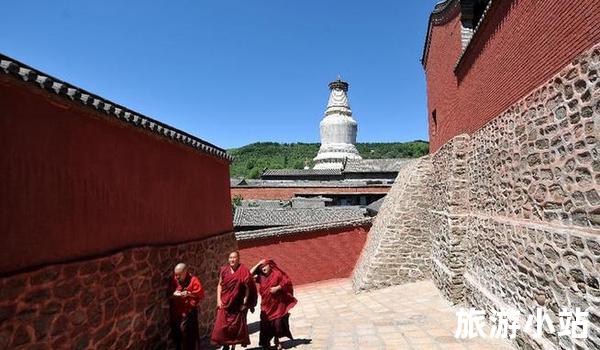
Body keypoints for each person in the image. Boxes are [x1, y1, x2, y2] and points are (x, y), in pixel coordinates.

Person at [211, 251, 258, 350]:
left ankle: (233, 347)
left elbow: (247, 288)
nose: (232, 260)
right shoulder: (224, 270)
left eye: (234, 257)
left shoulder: (243, 270)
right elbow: (220, 284)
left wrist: (244, 303)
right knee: (221, 327)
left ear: (238, 258)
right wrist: (218, 300)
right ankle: (225, 345)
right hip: (225, 303)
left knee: (235, 328)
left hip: (237, 304)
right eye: (230, 258)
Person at [250, 258, 297, 350]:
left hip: (277, 305)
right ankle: (266, 343)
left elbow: (287, 282)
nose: (263, 269)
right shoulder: (260, 277)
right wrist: (258, 263)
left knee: (277, 325)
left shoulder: (277, 274)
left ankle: (277, 340)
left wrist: (278, 288)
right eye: (261, 267)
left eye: (265, 266)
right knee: (265, 325)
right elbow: (249, 274)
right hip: (266, 306)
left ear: (270, 265)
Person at [168, 263, 205, 350]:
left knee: (188, 336)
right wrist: (174, 295)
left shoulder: (193, 280)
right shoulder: (174, 280)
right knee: (177, 335)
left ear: (185, 273)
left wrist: (189, 293)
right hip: (176, 312)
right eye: (175, 274)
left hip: (189, 313)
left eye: (179, 275)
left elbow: (201, 294)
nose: (176, 277)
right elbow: (169, 294)